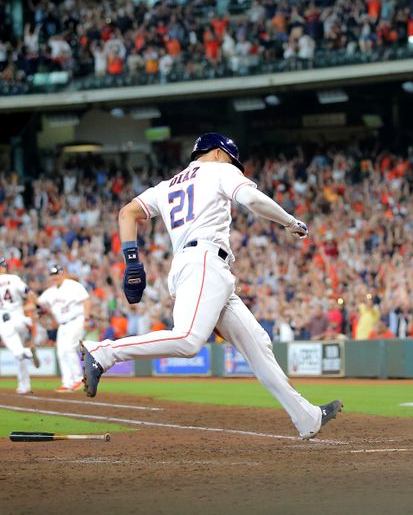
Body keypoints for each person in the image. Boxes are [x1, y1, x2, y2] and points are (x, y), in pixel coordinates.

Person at [81, 133, 342, 440]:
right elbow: (253, 199)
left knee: (258, 344)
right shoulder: (220, 169)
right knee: (189, 340)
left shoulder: (167, 186)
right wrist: (290, 222)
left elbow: (128, 212)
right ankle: (104, 352)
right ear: (218, 153)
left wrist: (132, 260)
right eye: (233, 159)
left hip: (192, 266)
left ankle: (307, 417)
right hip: (204, 263)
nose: (235, 166)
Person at [37, 265, 90, 392]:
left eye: (57, 274)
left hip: (76, 320)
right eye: (53, 275)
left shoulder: (73, 285)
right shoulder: (50, 291)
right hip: (62, 325)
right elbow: (38, 303)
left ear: (63, 274)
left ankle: (79, 379)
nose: (55, 277)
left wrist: (87, 319)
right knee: (61, 352)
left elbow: (86, 300)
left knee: (69, 348)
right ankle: (67, 382)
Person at [0, 257, 40, 394]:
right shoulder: (14, 279)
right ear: (4, 267)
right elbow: (29, 293)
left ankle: (29, 352)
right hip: (21, 320)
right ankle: (24, 385)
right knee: (19, 357)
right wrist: (38, 306)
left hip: (6, 322)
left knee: (18, 352)